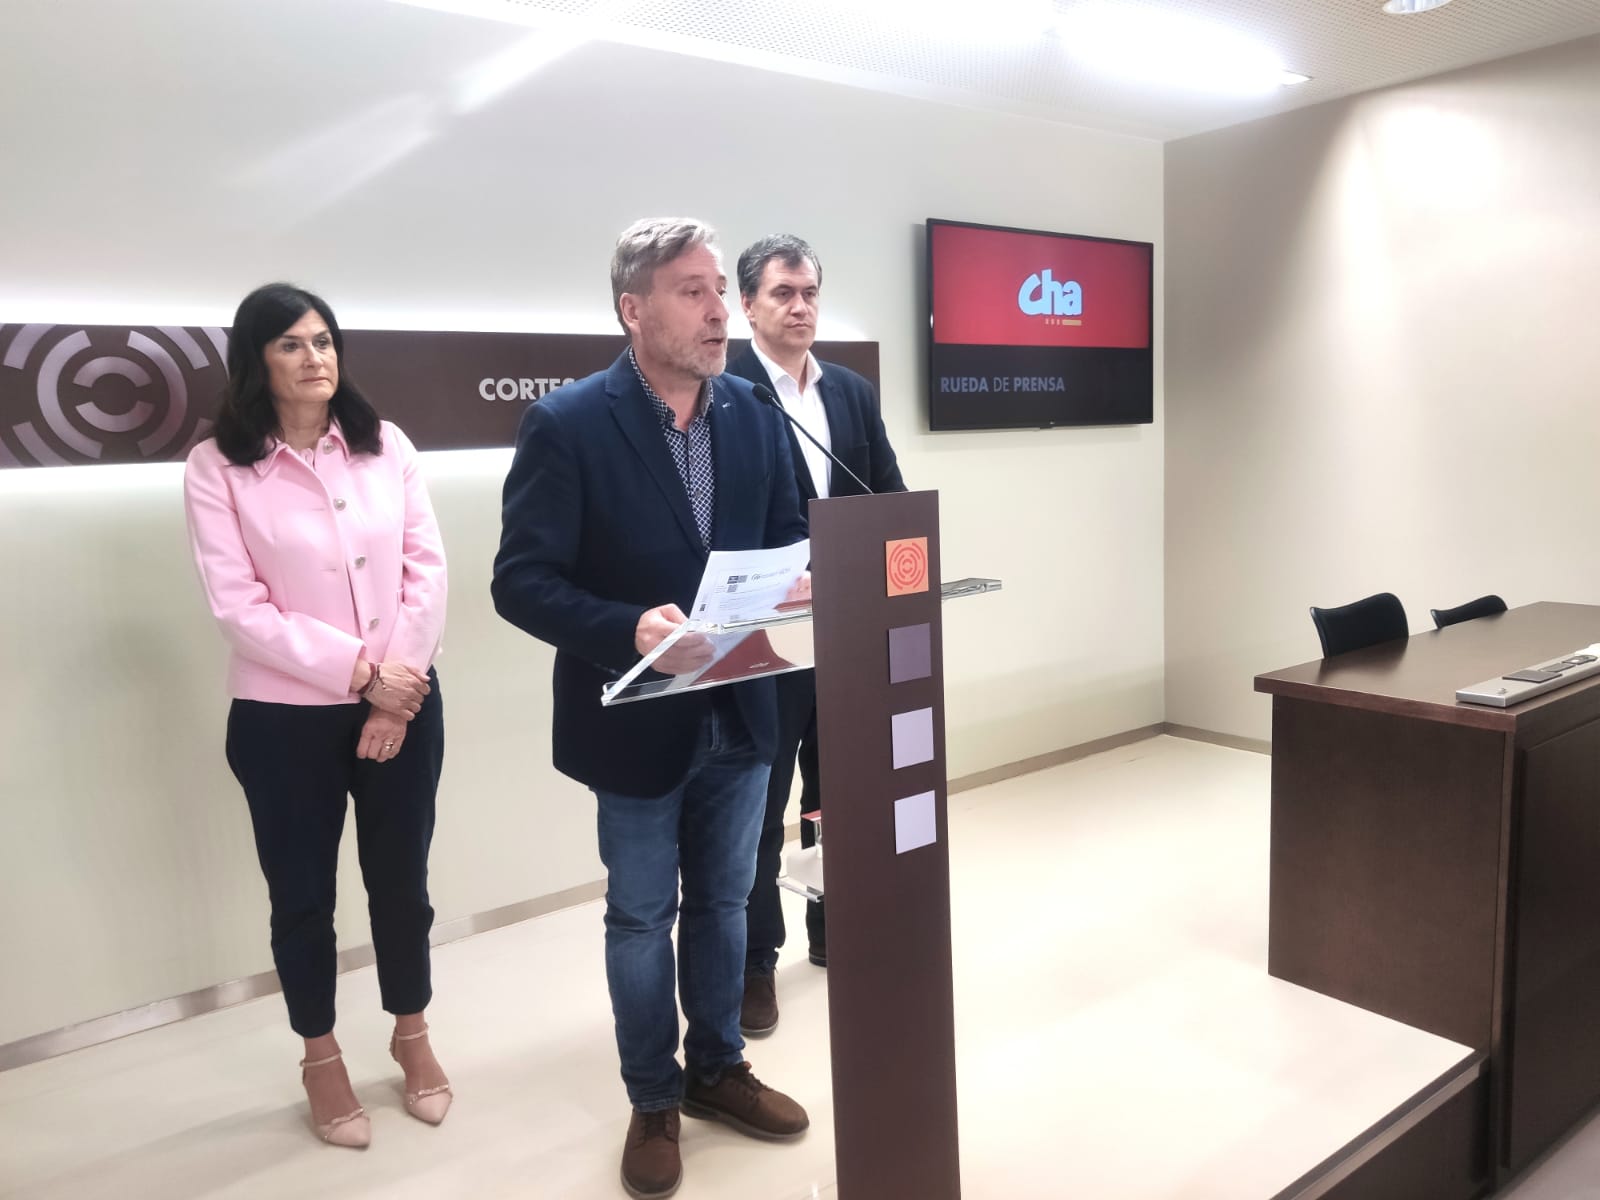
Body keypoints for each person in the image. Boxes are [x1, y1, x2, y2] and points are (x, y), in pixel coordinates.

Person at [492, 218, 811, 1200]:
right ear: (634, 309)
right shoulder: (568, 423)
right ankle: (654, 1098)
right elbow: (521, 583)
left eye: (719, 289)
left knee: (725, 901)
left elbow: (787, 534)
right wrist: (624, 627)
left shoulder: (754, 413)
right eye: (692, 291)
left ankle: (717, 1068)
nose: (720, 311)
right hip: (633, 721)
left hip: (742, 708)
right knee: (641, 917)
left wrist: (798, 584)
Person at [183, 283, 452, 1148]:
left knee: (401, 883)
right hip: (283, 721)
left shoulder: (386, 445)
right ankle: (321, 1055)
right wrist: (364, 676)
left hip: (405, 700)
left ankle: (411, 1032)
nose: (315, 358)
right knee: (302, 897)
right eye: (292, 344)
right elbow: (239, 607)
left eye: (325, 340)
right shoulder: (217, 466)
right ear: (256, 361)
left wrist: (395, 693)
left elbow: (426, 571)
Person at [726, 234, 906, 1036]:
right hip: (768, 643)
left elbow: (887, 493)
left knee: (839, 797)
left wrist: (901, 551)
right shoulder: (724, 392)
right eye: (782, 293)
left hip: (849, 634)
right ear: (747, 305)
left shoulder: (852, 393)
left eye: (809, 294)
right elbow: (723, 521)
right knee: (760, 810)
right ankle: (754, 962)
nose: (800, 308)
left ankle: (836, 929)